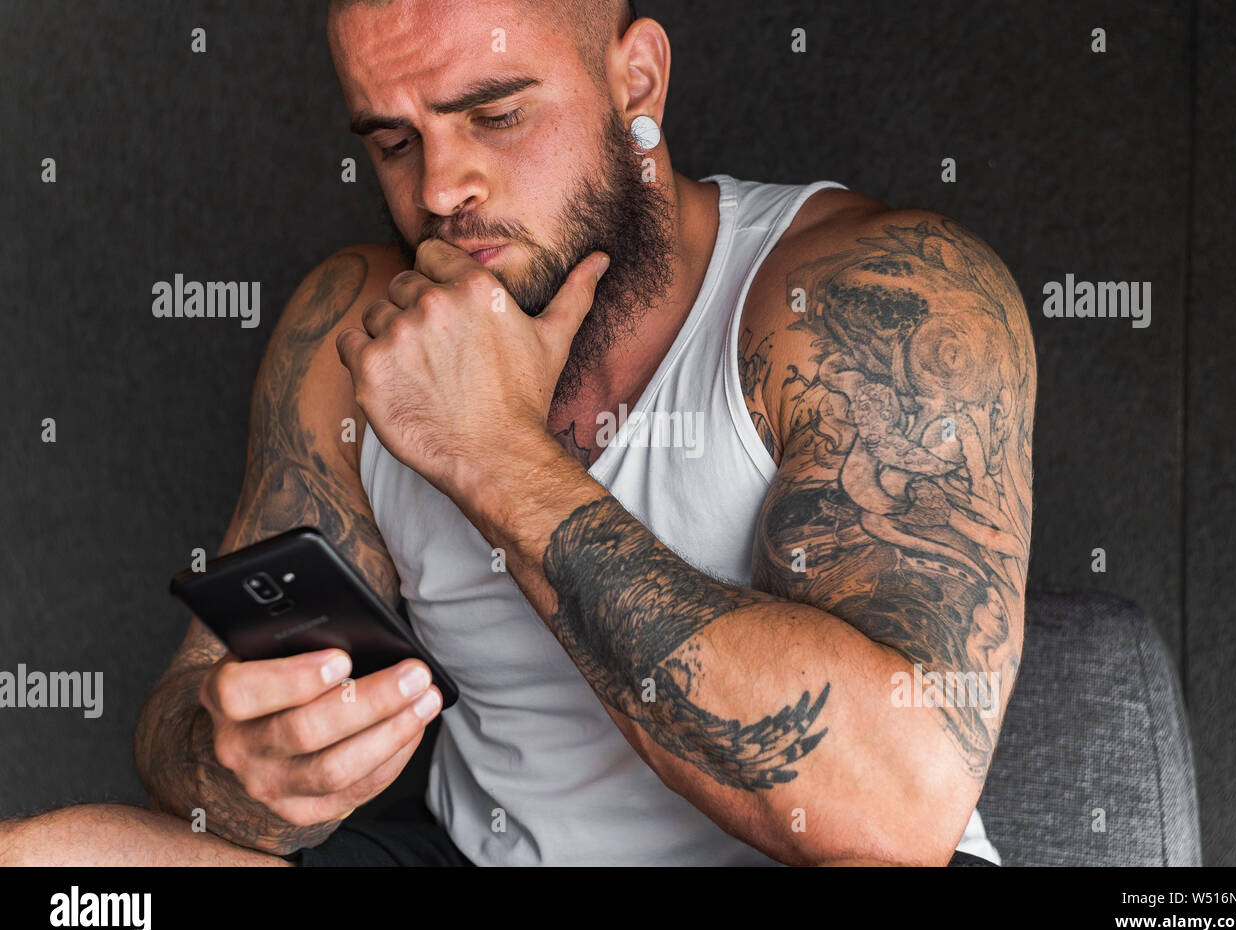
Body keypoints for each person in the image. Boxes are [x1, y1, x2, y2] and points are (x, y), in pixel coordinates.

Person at [0, 0, 1034, 867]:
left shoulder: (869, 297)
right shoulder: (351, 329)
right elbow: (186, 712)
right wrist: (241, 767)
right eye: (393, 140)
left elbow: (899, 800)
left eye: (493, 113)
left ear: (637, 83)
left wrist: (490, 453)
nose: (439, 189)